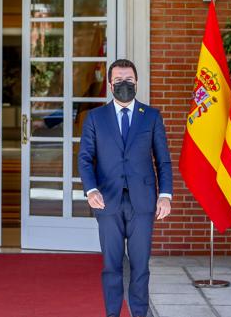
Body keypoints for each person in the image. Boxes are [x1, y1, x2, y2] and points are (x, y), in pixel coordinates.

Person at [78, 59, 173, 317]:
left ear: (137, 83)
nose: (124, 85)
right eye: (118, 81)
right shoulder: (95, 118)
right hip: (107, 202)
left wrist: (165, 195)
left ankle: (140, 313)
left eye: (128, 80)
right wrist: (91, 190)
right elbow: (85, 159)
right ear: (110, 85)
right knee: (111, 266)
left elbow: (162, 159)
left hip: (143, 203)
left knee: (140, 267)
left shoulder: (151, 116)